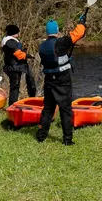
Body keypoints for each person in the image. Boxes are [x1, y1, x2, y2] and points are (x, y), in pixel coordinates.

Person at [36, 15, 86, 145]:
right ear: (57, 30)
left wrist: (65, 58)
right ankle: (67, 140)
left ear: (47, 32)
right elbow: (79, 33)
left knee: (48, 109)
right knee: (65, 109)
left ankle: (41, 136)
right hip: (62, 81)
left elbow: (54, 58)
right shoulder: (61, 43)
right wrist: (82, 21)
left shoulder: (42, 46)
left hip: (49, 81)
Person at [2, 24, 37, 106]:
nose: (18, 34)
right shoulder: (10, 42)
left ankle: (13, 104)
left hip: (12, 67)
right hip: (14, 67)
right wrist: (29, 55)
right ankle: (12, 105)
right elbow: (19, 55)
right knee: (15, 86)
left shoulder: (7, 40)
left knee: (15, 86)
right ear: (13, 33)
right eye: (17, 33)